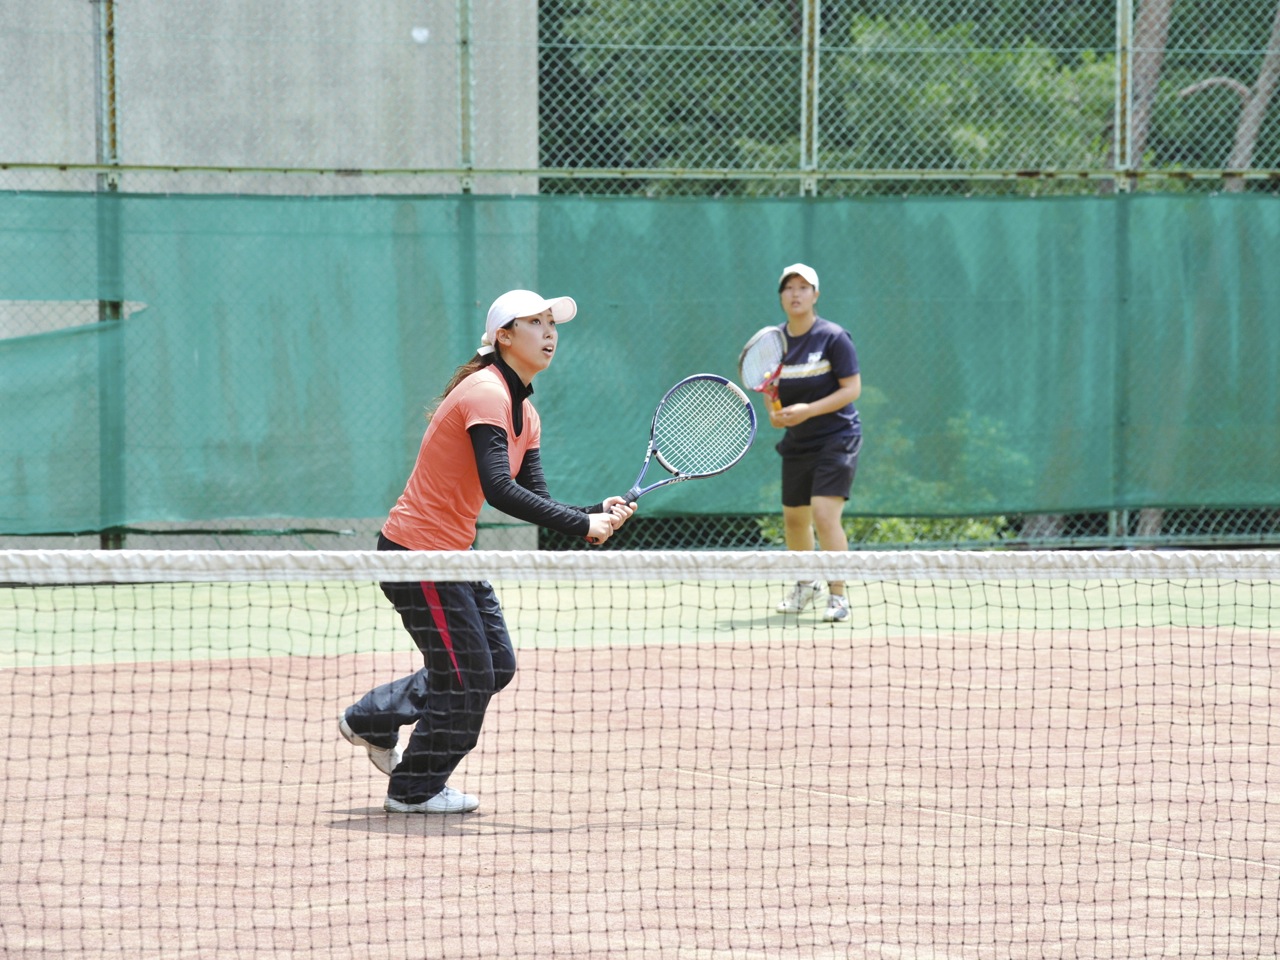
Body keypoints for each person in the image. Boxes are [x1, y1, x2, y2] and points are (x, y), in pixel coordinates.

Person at [339, 289, 636, 814]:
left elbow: (537, 500)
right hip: (418, 554)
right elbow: (499, 488)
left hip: (453, 555)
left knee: (493, 665)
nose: (550, 333)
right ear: (503, 336)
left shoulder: (527, 413)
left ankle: (374, 717)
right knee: (469, 673)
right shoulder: (485, 392)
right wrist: (582, 523)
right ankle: (415, 789)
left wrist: (592, 512)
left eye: (553, 324)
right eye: (536, 323)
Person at [769, 263, 862, 622]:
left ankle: (838, 596)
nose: (796, 293)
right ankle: (806, 584)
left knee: (824, 513)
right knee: (794, 519)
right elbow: (770, 389)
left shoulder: (834, 338)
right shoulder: (773, 342)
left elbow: (852, 389)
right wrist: (777, 413)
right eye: (789, 288)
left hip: (838, 437)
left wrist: (809, 410)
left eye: (803, 288)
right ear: (781, 296)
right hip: (798, 441)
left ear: (815, 295)